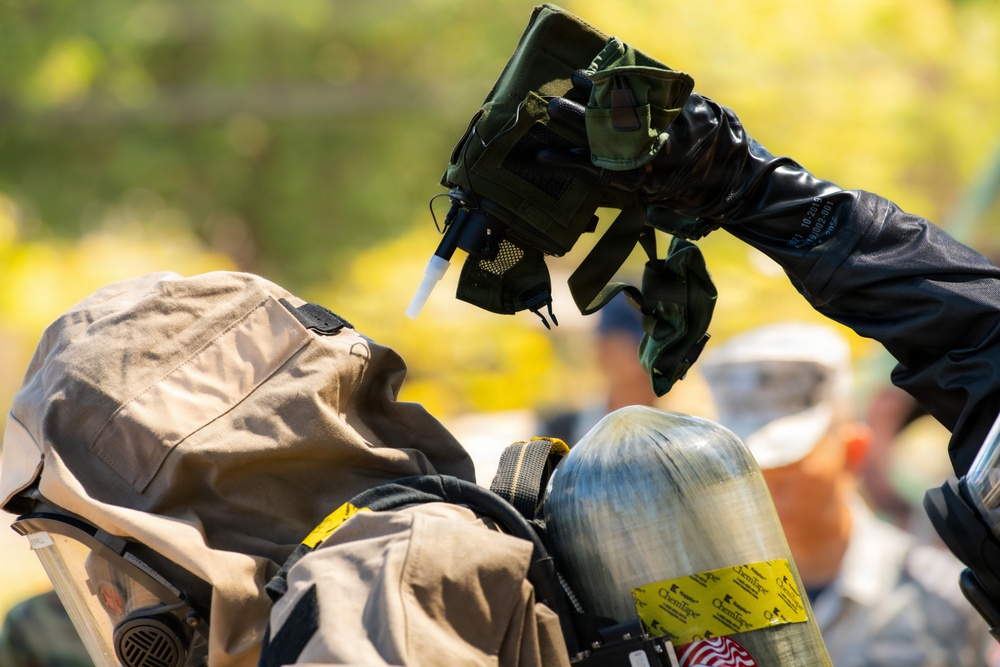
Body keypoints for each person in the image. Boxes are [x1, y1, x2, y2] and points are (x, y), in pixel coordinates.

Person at [0, 270, 568, 667]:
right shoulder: (355, 579)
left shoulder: (372, 602)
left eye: (108, 557)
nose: (97, 589)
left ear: (203, 514)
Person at [701, 322, 998, 666]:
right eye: (742, 462)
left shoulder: (944, 595)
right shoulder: (704, 606)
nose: (766, 480)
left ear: (853, 451)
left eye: (790, 459)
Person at [537, 291, 658, 446]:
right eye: (638, 344)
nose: (652, 354)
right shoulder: (557, 434)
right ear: (603, 349)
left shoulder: (680, 438)